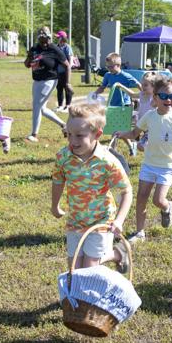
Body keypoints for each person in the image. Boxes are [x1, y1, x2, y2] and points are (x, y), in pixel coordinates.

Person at [114, 76, 172, 243]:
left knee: (158, 200)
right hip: (149, 164)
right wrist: (122, 134)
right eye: (164, 96)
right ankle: (140, 232)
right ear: (155, 98)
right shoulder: (149, 116)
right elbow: (135, 133)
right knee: (141, 197)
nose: (169, 100)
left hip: (167, 166)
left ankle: (167, 207)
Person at [51, 103, 133, 272]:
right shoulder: (63, 156)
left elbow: (126, 191)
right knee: (74, 269)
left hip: (101, 220)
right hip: (75, 220)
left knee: (89, 269)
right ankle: (116, 254)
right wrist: (54, 205)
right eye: (69, 134)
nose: (73, 141)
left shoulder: (107, 161)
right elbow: (58, 181)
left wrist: (119, 220)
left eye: (79, 136)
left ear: (97, 134)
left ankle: (116, 255)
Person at [24, 26, 69, 143]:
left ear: (49, 38)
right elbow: (27, 64)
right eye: (42, 40)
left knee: (36, 106)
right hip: (37, 80)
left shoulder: (55, 49)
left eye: (47, 40)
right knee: (42, 109)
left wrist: (67, 83)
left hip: (49, 80)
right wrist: (29, 59)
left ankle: (34, 134)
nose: (45, 43)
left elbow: (67, 65)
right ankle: (64, 126)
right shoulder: (34, 48)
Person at [55, 30, 74, 113]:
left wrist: (68, 69)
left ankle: (68, 106)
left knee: (67, 87)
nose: (57, 39)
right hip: (58, 72)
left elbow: (70, 60)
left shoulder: (67, 47)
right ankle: (60, 106)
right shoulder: (56, 47)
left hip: (66, 71)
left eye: (58, 37)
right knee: (59, 88)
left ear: (62, 38)